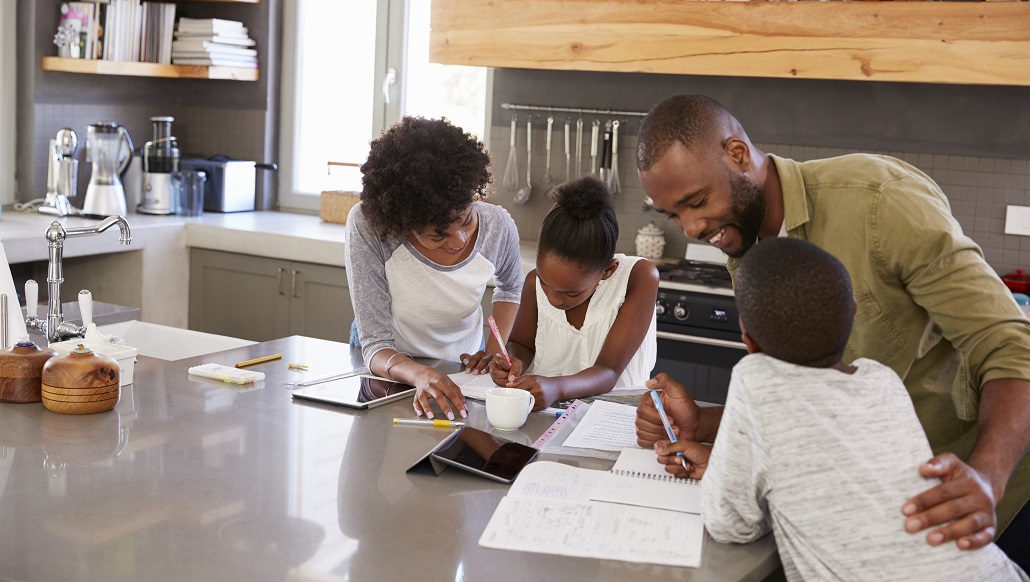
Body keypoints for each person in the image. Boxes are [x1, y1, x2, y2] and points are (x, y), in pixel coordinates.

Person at [633, 94, 1030, 566]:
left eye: (697, 202)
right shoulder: (747, 247)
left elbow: (1011, 348)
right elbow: (806, 400)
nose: (693, 227)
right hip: (885, 521)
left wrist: (986, 477)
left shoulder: (881, 202)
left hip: (991, 506)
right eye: (674, 215)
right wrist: (704, 422)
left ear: (737, 155)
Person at [694, 238, 1028, 581]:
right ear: (852, 313)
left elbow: (731, 523)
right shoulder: (882, 380)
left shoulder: (755, 379)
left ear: (747, 339)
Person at [345, 116, 525, 421]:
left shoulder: (498, 225)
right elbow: (375, 346)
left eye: (467, 220)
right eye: (437, 236)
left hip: (464, 366)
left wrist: (494, 352)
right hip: (386, 369)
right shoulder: (370, 227)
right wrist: (419, 374)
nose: (459, 240)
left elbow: (510, 288)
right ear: (403, 224)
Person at [490, 176, 659, 410]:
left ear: (607, 271)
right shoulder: (532, 283)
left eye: (571, 293)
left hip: (615, 416)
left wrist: (555, 388)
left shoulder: (638, 278)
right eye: (544, 282)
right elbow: (522, 343)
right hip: (546, 414)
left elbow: (608, 371)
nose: (553, 298)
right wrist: (512, 360)